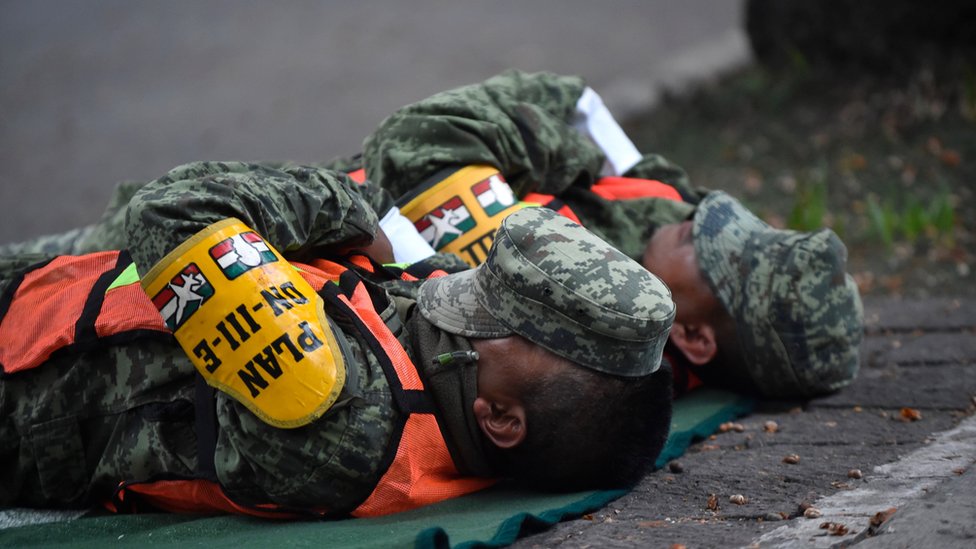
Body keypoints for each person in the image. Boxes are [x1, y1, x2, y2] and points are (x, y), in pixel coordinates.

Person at [0, 161, 675, 518]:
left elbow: (174, 208)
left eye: (494, 317)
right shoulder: (455, 374)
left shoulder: (334, 406)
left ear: (499, 416)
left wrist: (353, 215)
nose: (457, 292)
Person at [357, 69, 864, 399]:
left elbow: (416, 139)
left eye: (722, 259)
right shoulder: (676, 224)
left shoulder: (563, 296)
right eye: (751, 234)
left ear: (691, 336)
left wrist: (564, 156)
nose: (703, 224)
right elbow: (581, 102)